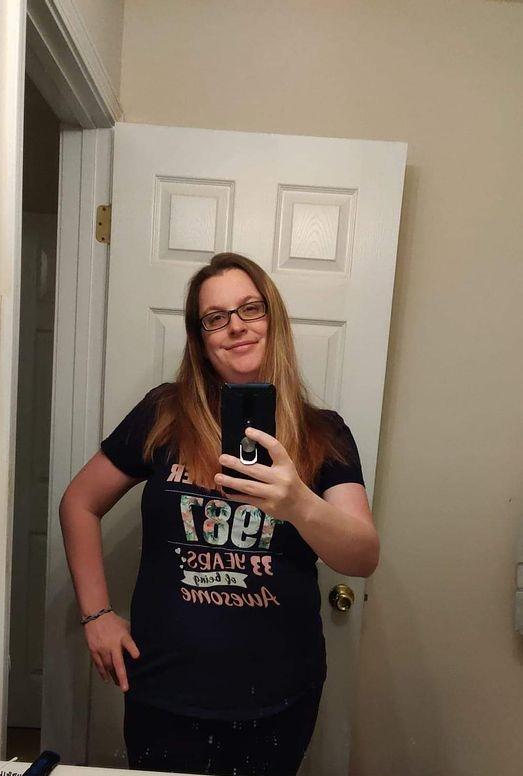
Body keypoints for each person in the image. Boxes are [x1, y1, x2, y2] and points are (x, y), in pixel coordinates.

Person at [59, 252, 379, 776]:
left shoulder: (323, 432)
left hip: (280, 695)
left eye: (250, 308)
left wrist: (299, 502)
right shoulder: (164, 413)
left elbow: (363, 557)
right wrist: (96, 616)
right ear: (200, 339)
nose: (236, 326)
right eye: (215, 317)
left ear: (273, 318)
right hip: (165, 690)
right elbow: (79, 501)